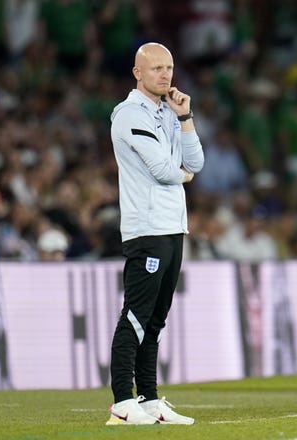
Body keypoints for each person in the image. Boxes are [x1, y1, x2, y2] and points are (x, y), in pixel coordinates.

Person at [106, 42, 204, 425]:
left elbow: (196, 161)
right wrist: (182, 175)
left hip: (172, 227)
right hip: (146, 229)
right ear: (138, 73)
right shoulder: (130, 114)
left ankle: (148, 398)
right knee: (135, 315)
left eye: (169, 68)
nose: (165, 74)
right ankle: (121, 400)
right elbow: (167, 171)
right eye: (156, 68)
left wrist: (186, 117)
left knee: (156, 319)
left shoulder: (167, 112)